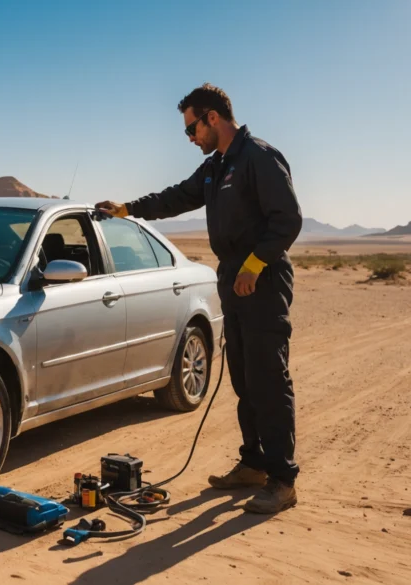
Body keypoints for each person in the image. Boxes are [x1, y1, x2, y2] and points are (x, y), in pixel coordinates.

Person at [96, 83, 303, 514]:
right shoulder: (214, 168)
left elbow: (288, 219)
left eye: (191, 129)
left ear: (212, 117)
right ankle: (254, 464)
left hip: (261, 281)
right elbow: (174, 198)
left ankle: (283, 480)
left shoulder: (258, 157)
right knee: (244, 378)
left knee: (269, 378)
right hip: (232, 279)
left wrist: (254, 265)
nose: (190, 139)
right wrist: (127, 209)